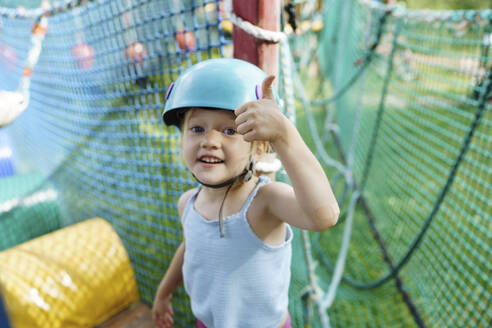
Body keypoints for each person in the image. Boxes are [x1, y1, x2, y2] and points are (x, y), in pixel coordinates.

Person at [152, 58, 339, 328]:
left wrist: (284, 135)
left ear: (260, 148)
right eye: (196, 129)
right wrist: (164, 291)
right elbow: (191, 248)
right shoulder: (187, 204)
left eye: (229, 130)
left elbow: (324, 216)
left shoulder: (265, 202)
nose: (209, 141)